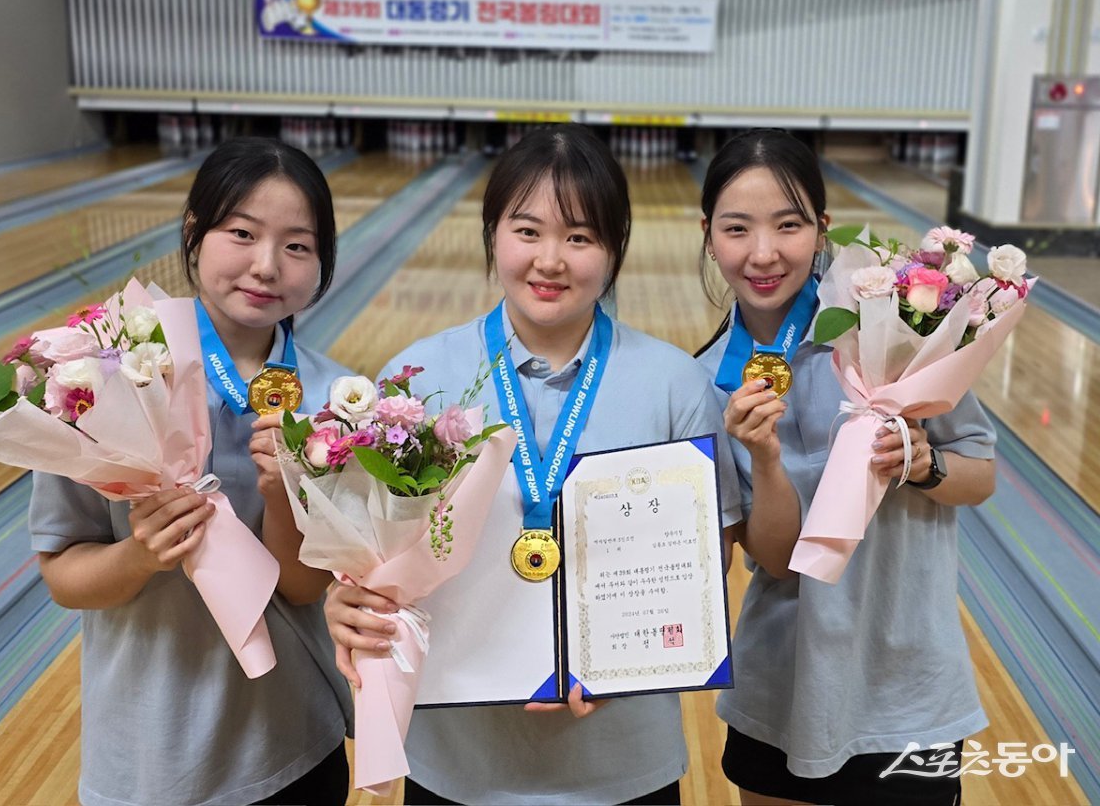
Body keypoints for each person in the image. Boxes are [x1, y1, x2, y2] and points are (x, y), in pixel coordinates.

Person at [324, 123, 744, 805]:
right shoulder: (419, 377)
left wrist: (626, 661)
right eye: (527, 231)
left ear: (614, 251)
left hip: (625, 767)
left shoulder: (675, 385)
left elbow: (707, 560)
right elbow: (371, 561)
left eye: (579, 237)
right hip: (456, 766)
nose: (551, 259)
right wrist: (349, 604)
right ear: (493, 235)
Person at [28, 137, 352, 806]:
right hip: (150, 759)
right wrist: (140, 557)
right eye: (242, 233)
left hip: (290, 744)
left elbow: (300, 590)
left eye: (298, 246)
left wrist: (283, 498)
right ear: (193, 233)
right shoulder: (98, 378)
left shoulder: (336, 402)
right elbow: (64, 575)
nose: (266, 266)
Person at [694, 129, 996, 806]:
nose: (763, 253)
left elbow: (982, 473)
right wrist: (765, 460)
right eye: (737, 229)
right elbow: (773, 560)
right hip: (785, 688)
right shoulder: (707, 387)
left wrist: (926, 464)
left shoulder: (899, 332)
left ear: (823, 228)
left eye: (789, 225)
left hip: (908, 690)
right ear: (709, 234)